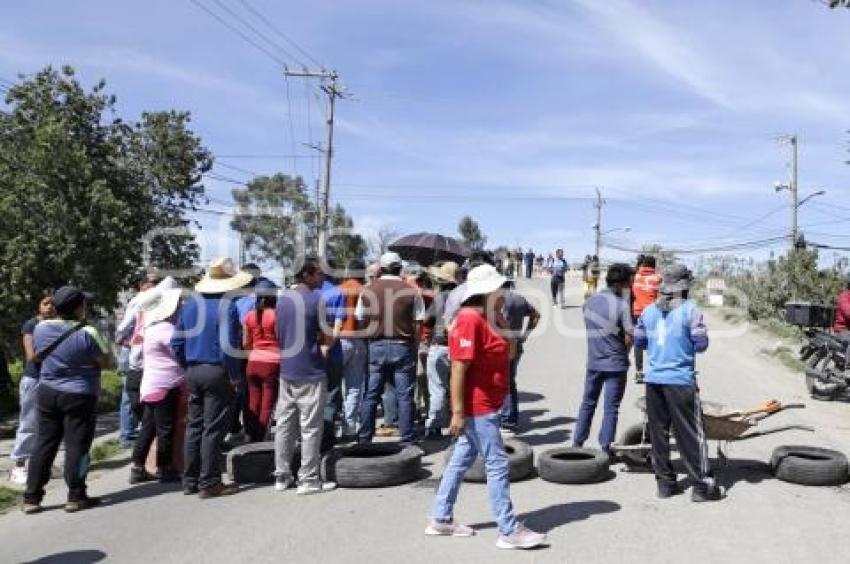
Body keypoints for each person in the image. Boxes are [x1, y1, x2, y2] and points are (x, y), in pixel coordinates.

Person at [427, 265, 545, 550]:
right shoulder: (469, 319)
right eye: (499, 288)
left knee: (460, 461)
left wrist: (503, 324)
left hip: (490, 402)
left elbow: (510, 352)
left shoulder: (491, 319)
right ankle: (508, 529)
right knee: (497, 464)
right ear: (485, 292)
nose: (504, 292)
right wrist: (456, 412)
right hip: (478, 407)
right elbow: (458, 368)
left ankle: (440, 518)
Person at [634, 264, 721, 502]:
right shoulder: (690, 310)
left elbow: (639, 342)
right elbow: (701, 345)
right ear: (684, 287)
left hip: (654, 381)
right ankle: (702, 486)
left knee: (659, 433)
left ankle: (665, 484)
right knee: (691, 433)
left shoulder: (648, 311)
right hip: (680, 381)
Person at [23, 286, 110, 514]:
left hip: (47, 391)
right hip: (79, 394)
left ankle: (31, 497)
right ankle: (76, 496)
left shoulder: (40, 328)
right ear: (79, 307)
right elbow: (106, 362)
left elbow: (36, 354)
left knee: (44, 443)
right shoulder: (89, 332)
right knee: (77, 446)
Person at [171, 257, 250, 499]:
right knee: (213, 429)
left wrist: (188, 365)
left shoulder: (191, 305)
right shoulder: (228, 307)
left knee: (195, 426)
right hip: (217, 370)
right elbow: (229, 346)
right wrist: (235, 375)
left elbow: (176, 342)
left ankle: (190, 479)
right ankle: (210, 481)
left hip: (193, 370)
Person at [274, 257, 337, 495]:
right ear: (307, 274)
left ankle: (282, 475)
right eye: (319, 273)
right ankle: (308, 479)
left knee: (285, 425)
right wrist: (323, 349)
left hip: (287, 369)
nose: (322, 278)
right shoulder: (316, 301)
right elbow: (328, 335)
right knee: (310, 427)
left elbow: (280, 332)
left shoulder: (283, 300)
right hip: (310, 371)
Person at [356, 252, 425, 445]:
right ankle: (407, 440)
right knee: (405, 396)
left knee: (370, 395)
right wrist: (415, 345)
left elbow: (361, 320)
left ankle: (364, 439)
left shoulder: (368, 290)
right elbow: (418, 322)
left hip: (375, 345)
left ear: (381, 268)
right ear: (399, 268)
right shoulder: (411, 291)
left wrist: (367, 342)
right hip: (403, 346)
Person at [572, 263, 634, 455]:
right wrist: (624, 350)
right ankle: (606, 448)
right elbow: (630, 335)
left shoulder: (589, 302)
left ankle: (577, 443)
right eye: (629, 283)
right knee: (611, 408)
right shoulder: (622, 305)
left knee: (588, 402)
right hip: (616, 365)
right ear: (623, 283)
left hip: (594, 363)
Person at [129, 289, 185, 484]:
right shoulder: (166, 329)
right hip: (166, 384)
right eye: (178, 305)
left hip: (150, 384)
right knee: (165, 429)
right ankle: (165, 468)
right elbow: (178, 350)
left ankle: (137, 466)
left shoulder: (150, 328)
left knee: (148, 428)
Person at [9, 290, 56, 486]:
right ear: (38, 305)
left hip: (52, 379)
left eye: (53, 303)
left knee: (48, 424)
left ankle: (40, 463)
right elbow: (31, 356)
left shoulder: (58, 324)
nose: (50, 307)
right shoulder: (32, 324)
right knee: (28, 422)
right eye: (46, 303)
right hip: (34, 379)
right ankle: (19, 466)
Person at [115, 271, 162, 448]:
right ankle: (127, 434)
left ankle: (135, 431)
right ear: (142, 285)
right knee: (130, 394)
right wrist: (123, 340)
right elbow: (125, 326)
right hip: (132, 351)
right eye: (153, 282)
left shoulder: (151, 300)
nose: (156, 285)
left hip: (139, 350)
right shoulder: (139, 300)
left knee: (138, 392)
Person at [423, 261, 460, 439]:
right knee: (457, 388)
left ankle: (434, 428)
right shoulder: (464, 296)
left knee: (437, 388)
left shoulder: (440, 297)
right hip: (459, 348)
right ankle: (456, 426)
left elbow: (427, 321)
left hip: (439, 346)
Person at [499, 280, 540, 433]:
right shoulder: (519, 299)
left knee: (504, 382)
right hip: (516, 344)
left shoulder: (499, 300)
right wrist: (524, 336)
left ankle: (507, 418)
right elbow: (536, 315)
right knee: (510, 381)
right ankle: (511, 417)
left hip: (503, 346)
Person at [242, 279, 280, 442]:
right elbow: (280, 338)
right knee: (267, 403)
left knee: (253, 400)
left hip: (253, 362)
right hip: (272, 363)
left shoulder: (249, 316)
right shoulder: (275, 315)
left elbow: (245, 343)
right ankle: (261, 436)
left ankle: (250, 433)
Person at [338, 259, 367, 440]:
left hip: (339, 338)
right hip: (357, 339)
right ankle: (349, 427)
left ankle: (332, 422)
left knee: (337, 385)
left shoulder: (339, 289)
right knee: (355, 386)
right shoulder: (364, 290)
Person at [319, 261, 346, 449]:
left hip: (306, 355)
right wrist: (327, 347)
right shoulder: (336, 293)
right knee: (329, 397)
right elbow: (337, 326)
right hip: (333, 353)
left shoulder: (304, 292)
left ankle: (306, 439)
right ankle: (326, 439)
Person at [632, 255, 662, 383]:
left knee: (638, 342)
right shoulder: (658, 278)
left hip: (638, 313)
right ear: (654, 265)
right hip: (654, 314)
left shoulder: (635, 277)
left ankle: (639, 372)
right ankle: (654, 370)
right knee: (655, 342)